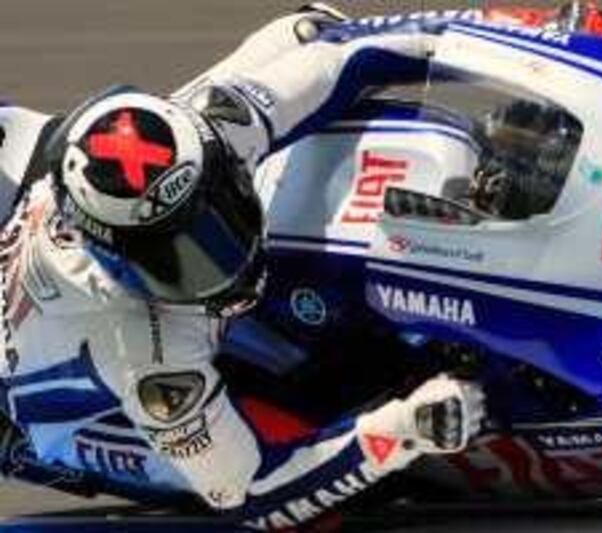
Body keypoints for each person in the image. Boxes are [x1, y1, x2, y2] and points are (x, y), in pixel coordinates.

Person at [0, 4, 487, 527]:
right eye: (181, 259)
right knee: (327, 499)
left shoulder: (216, 126)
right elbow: (254, 494)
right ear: (114, 259)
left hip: (29, 167)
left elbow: (352, 51)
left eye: (218, 218)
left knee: (306, 30)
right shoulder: (142, 349)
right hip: (55, 409)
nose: (221, 260)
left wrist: (540, 34)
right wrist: (399, 431)